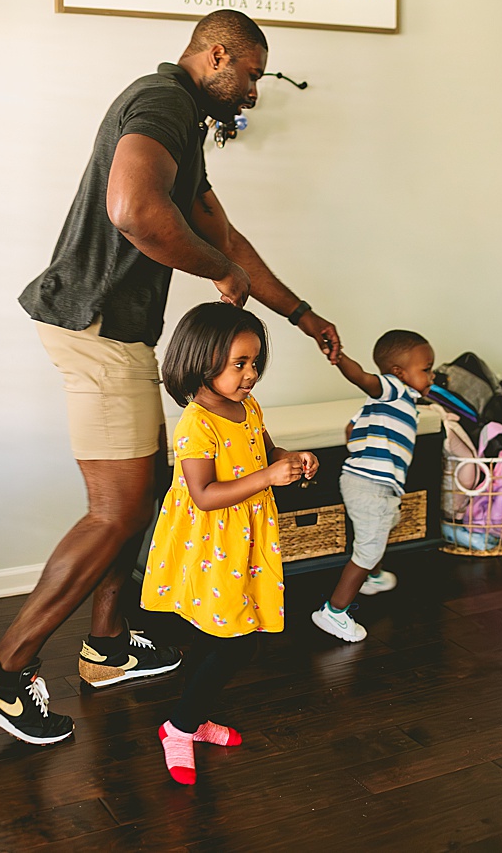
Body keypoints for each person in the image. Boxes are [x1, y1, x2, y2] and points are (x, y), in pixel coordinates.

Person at [0, 10, 340, 746]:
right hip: (97, 326)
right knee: (117, 509)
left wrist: (301, 314)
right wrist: (219, 272)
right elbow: (134, 208)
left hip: (111, 329)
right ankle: (2, 670)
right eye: (253, 75)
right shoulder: (164, 101)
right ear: (218, 54)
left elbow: (227, 239)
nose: (254, 92)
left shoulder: (184, 123)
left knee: (135, 501)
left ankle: (107, 645)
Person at [140, 302, 312, 784]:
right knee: (232, 639)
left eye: (255, 362)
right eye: (239, 364)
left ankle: (193, 718)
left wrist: (289, 460)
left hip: (248, 540)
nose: (251, 374)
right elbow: (204, 494)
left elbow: (265, 450)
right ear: (201, 360)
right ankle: (179, 727)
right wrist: (267, 476)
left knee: (238, 634)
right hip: (214, 543)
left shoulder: (246, 407)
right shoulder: (197, 422)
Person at [312, 330, 435, 642]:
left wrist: (361, 449)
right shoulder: (393, 389)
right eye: (427, 369)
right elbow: (364, 379)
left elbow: (351, 427)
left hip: (364, 481)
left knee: (384, 525)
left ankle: (375, 578)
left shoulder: (397, 402)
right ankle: (335, 612)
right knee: (367, 549)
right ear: (399, 373)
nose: (432, 375)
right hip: (371, 484)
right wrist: (341, 361)